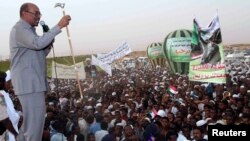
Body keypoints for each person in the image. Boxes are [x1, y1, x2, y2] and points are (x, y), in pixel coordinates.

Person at [9, 2, 71, 141]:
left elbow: (39, 52)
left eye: (39, 13)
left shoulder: (29, 31)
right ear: (24, 13)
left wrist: (48, 43)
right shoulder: (20, 28)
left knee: (28, 127)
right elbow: (37, 44)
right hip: (29, 85)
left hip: (32, 85)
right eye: (35, 13)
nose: (38, 16)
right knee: (34, 129)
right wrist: (59, 26)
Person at [0, 71, 19, 140]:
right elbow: (10, 118)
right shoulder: (2, 96)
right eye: (5, 81)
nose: (11, 85)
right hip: (7, 132)